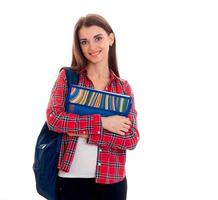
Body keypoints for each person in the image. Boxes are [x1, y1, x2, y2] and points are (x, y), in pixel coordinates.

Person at [46, 14, 140, 200]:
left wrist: (85, 132)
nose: (92, 47)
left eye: (98, 38)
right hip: (72, 180)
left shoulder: (123, 88)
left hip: (113, 182)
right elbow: (54, 119)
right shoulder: (68, 78)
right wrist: (104, 123)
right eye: (84, 42)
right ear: (79, 46)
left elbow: (131, 138)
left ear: (110, 39)